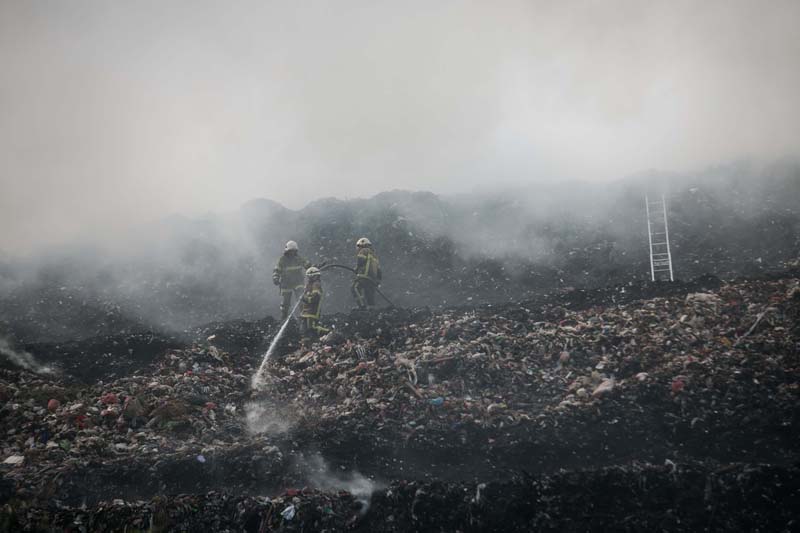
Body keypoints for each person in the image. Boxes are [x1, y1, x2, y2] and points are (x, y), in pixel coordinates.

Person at [272, 240, 311, 320]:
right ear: (287, 251)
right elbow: (277, 270)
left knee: (301, 299)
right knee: (285, 303)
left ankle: (303, 316)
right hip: (286, 283)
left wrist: (314, 268)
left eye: (294, 251)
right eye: (291, 251)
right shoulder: (282, 260)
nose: (292, 253)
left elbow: (308, 265)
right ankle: (284, 317)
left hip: (298, 282)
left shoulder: (299, 258)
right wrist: (275, 278)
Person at [352, 237, 382, 309]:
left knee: (354, 288)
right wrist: (377, 282)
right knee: (369, 294)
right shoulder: (375, 256)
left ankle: (362, 306)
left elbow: (360, 260)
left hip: (364, 276)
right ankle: (371, 309)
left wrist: (356, 269)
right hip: (372, 280)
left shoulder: (364, 250)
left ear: (361, 245)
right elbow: (379, 271)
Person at [300, 267, 330, 338]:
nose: (308, 278)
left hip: (312, 311)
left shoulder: (316, 285)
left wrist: (304, 298)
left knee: (312, 327)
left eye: (309, 277)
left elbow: (314, 298)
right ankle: (307, 342)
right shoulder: (308, 285)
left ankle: (328, 332)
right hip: (305, 312)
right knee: (304, 330)